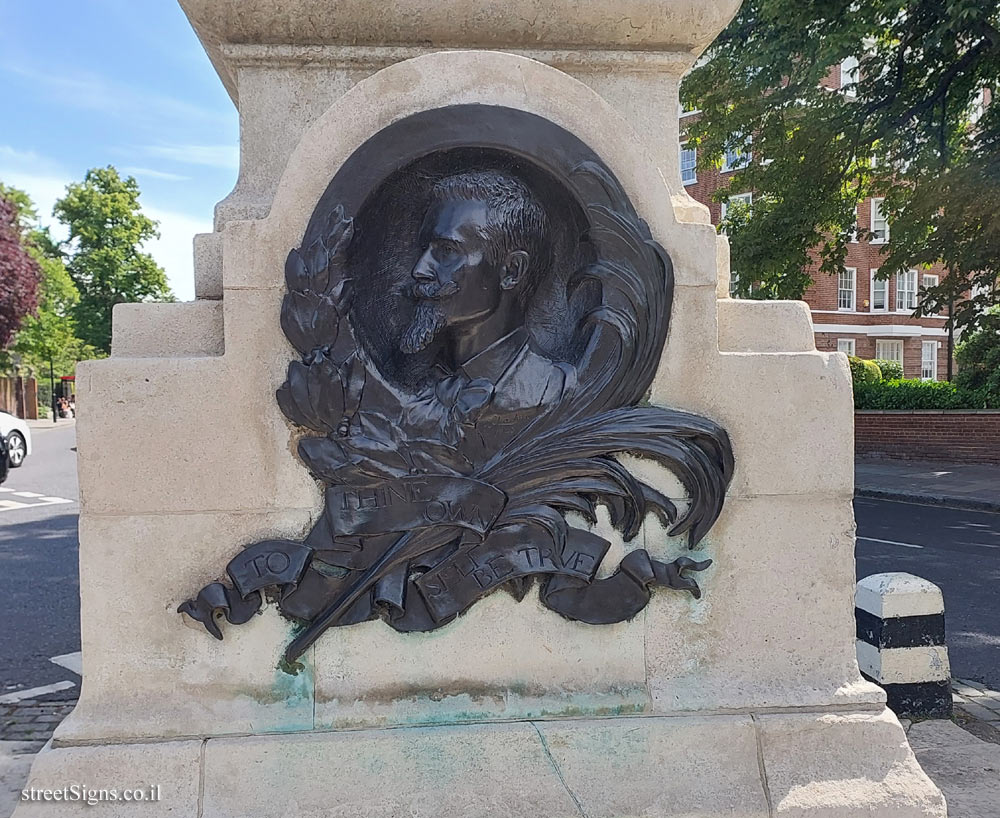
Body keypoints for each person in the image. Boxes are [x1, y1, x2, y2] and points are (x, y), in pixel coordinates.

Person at [398, 170, 571, 460]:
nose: (419, 269)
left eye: (447, 250)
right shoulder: (420, 385)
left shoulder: (553, 390)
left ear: (510, 271)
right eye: (424, 250)